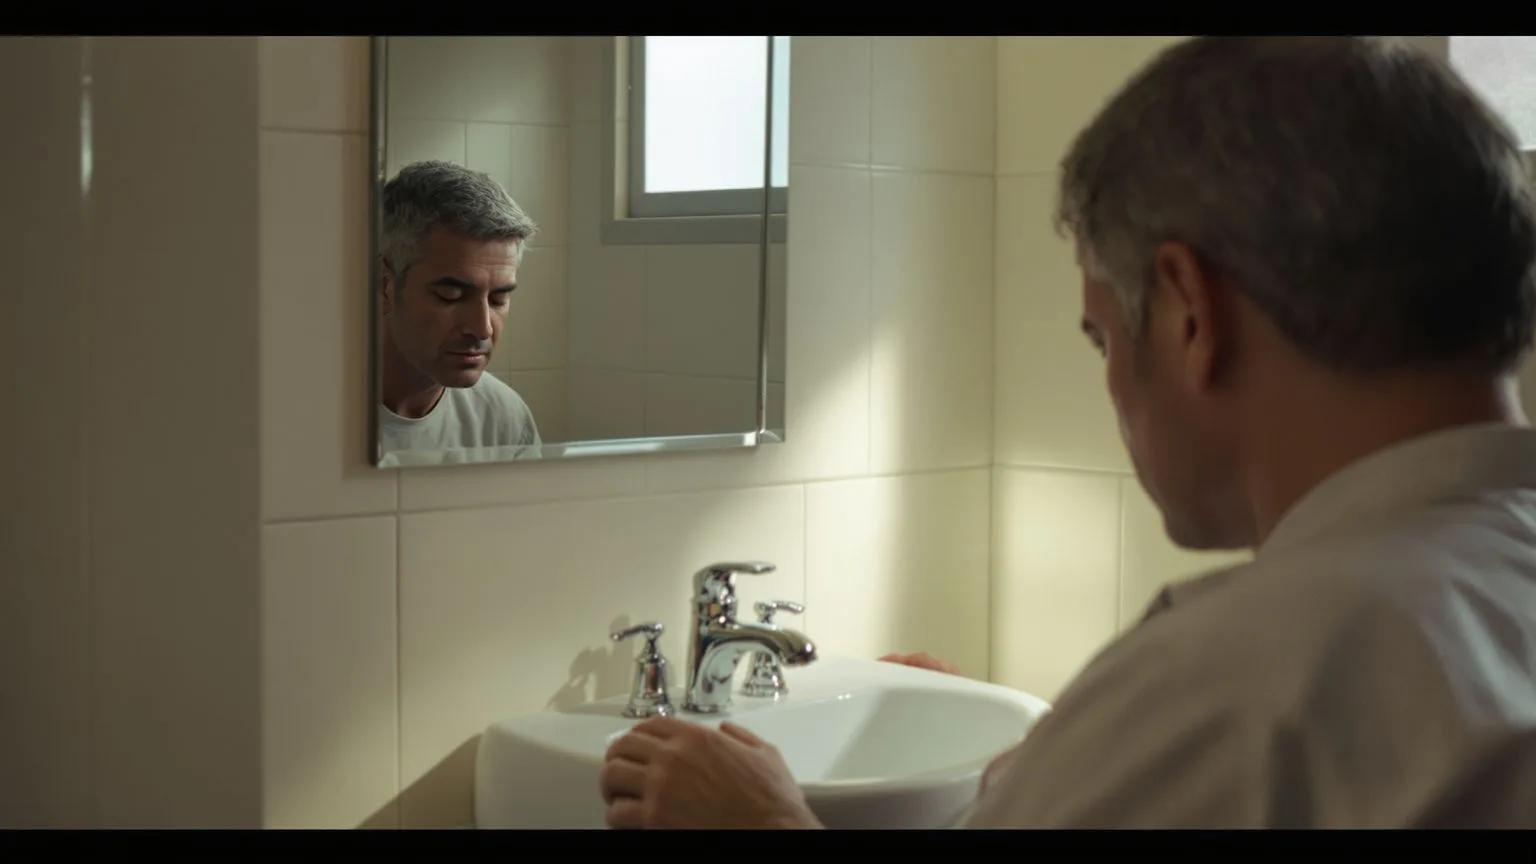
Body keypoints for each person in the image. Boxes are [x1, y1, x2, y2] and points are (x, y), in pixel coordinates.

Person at [596, 36, 1536, 829]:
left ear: (1188, 312)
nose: (1112, 381)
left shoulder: (1225, 689)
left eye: (1100, 335)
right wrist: (1064, 768)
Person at [377, 160, 542, 456]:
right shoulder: (302, 411)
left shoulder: (504, 419)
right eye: (451, 296)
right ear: (384, 287)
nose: (482, 328)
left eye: (498, 299)